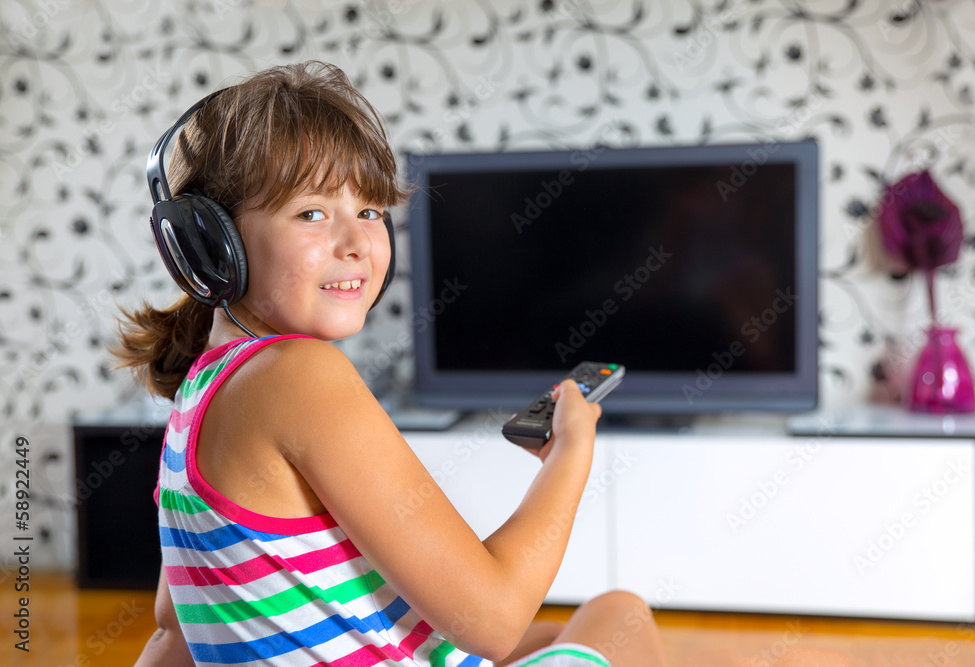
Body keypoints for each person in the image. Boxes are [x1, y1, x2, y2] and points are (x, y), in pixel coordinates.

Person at [112, 60, 669, 667]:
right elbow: (495, 621)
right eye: (313, 213)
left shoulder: (201, 389)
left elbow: (173, 631)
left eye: (372, 212)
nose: (357, 243)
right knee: (620, 613)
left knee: (571, 628)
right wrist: (570, 454)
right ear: (209, 241)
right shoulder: (299, 374)